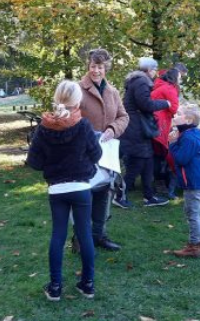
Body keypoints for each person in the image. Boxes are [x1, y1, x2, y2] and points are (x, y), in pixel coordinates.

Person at [26, 80, 101, 301]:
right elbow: (96, 154)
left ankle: (56, 286)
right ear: (77, 101)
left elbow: (34, 161)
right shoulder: (84, 126)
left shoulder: (44, 128)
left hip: (57, 188)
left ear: (57, 98)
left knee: (58, 235)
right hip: (81, 186)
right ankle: (88, 284)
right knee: (84, 233)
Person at [76, 48, 129, 251]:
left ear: (105, 67)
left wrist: (112, 129)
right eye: (92, 66)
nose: (96, 71)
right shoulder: (78, 89)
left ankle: (99, 235)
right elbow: (70, 118)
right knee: (84, 194)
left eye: (100, 67)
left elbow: (124, 117)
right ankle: (81, 238)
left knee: (105, 192)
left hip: (107, 152)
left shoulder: (113, 91)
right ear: (88, 67)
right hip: (84, 152)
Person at [115, 57, 172, 208]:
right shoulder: (141, 81)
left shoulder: (137, 80)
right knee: (137, 164)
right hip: (136, 129)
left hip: (137, 128)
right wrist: (165, 103)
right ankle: (119, 196)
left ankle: (149, 196)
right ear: (149, 69)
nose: (155, 73)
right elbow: (145, 104)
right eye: (154, 70)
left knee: (147, 161)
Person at [169, 104, 200, 258]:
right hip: (195, 178)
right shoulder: (190, 134)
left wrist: (172, 144)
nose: (174, 116)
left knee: (191, 212)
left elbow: (181, 159)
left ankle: (194, 246)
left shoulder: (189, 137)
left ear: (188, 119)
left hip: (191, 180)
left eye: (178, 114)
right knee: (195, 210)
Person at [151, 66, 185, 199]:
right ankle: (161, 183)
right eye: (180, 78)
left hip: (153, 123)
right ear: (175, 78)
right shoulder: (169, 88)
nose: (180, 81)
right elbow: (175, 108)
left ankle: (157, 183)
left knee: (155, 156)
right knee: (161, 155)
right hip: (160, 125)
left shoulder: (159, 85)